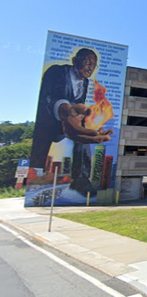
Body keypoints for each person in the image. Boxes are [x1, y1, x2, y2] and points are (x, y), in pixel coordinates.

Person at [30, 48, 112, 195]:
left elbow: (78, 103)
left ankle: (81, 179)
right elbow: (49, 95)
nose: (90, 68)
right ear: (75, 60)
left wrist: (79, 120)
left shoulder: (85, 82)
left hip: (70, 120)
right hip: (49, 119)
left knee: (84, 141)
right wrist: (64, 109)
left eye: (93, 65)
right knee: (40, 148)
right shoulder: (57, 71)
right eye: (87, 63)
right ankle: (34, 179)